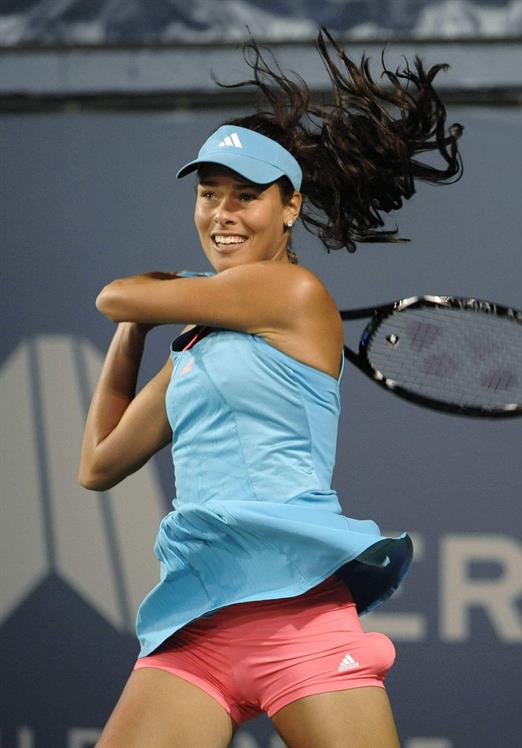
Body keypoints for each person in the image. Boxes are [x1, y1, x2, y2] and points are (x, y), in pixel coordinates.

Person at [79, 29, 462, 748]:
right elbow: (98, 463)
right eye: (208, 195)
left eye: (246, 196)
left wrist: (148, 301)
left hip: (297, 616)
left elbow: (112, 293)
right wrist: (135, 333)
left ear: (289, 208)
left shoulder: (292, 292)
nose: (221, 214)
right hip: (195, 630)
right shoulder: (194, 346)